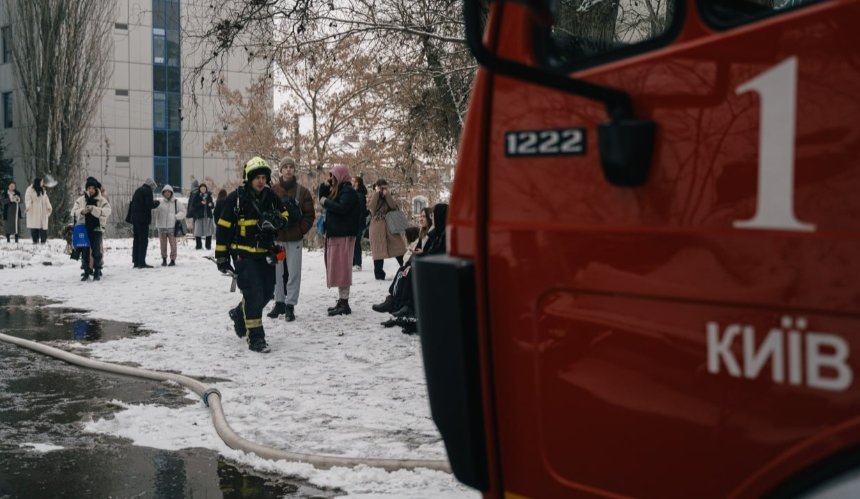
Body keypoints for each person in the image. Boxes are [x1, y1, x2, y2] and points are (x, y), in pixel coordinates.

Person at [215, 157, 289, 353]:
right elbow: (223, 228)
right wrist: (221, 257)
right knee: (254, 294)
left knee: (266, 293)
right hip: (243, 256)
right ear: (249, 178)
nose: (261, 181)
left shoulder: (271, 197)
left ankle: (240, 313)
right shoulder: (236, 199)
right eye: (257, 177)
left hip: (266, 254)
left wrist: (278, 220)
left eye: (264, 177)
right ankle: (256, 339)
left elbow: (286, 215)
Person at [380, 203, 448, 333]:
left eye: (430, 216)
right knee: (406, 271)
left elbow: (436, 253)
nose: (430, 219)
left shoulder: (439, 233)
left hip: (437, 271)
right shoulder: (437, 232)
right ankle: (400, 308)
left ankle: (404, 309)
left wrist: (419, 256)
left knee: (411, 272)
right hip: (432, 267)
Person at [267, 157, 314, 322]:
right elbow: (266, 213)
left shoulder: (303, 192)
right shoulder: (272, 191)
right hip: (278, 240)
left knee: (294, 272)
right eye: (285, 167)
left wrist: (300, 230)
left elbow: (309, 216)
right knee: (277, 271)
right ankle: (279, 302)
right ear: (280, 170)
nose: (288, 170)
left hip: (294, 240)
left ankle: (290, 305)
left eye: (291, 167)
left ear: (294, 170)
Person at [318, 164, 362, 316]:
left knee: (342, 269)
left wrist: (326, 202)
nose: (332, 179)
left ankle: (345, 303)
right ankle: (342, 301)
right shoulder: (340, 190)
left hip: (343, 235)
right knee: (337, 268)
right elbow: (322, 198)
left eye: (333, 176)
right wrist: (325, 186)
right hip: (337, 234)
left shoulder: (347, 191)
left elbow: (342, 208)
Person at [372, 206, 433, 313]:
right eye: (420, 216)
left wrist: (412, 264)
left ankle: (398, 304)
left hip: (426, 268)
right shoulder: (422, 234)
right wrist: (409, 264)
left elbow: (429, 253)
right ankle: (393, 300)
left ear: (430, 219)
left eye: (424, 216)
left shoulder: (430, 235)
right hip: (419, 264)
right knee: (402, 270)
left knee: (405, 272)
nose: (421, 219)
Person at [72, 177, 111, 281]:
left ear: (96, 189)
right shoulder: (81, 200)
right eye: (89, 188)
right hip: (84, 228)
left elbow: (108, 211)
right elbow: (73, 211)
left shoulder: (101, 200)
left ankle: (97, 271)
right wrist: (82, 211)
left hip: (97, 228)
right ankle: (86, 272)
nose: (91, 190)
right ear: (86, 189)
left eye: (93, 188)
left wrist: (94, 209)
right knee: (85, 251)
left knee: (96, 251)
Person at [368, 179, 406, 280]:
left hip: (390, 225)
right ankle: (379, 274)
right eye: (382, 188)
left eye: (385, 187)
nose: (383, 189)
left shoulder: (389, 195)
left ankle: (406, 268)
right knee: (378, 250)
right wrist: (377, 193)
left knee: (399, 247)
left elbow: (393, 206)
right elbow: (371, 208)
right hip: (377, 226)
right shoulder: (373, 196)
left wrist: (387, 195)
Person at [129, 178, 160, 268]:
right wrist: (157, 203)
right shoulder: (148, 191)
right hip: (143, 220)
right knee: (143, 241)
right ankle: (141, 262)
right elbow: (149, 205)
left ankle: (136, 261)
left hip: (135, 219)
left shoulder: (138, 190)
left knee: (136, 240)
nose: (153, 190)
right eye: (153, 188)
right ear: (151, 186)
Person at [153, 184, 185, 266]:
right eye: (165, 192)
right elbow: (154, 212)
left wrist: (176, 217)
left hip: (172, 227)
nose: (167, 193)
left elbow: (183, 211)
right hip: (161, 227)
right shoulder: (159, 202)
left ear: (171, 193)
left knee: (173, 244)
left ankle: (173, 260)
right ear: (163, 193)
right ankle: (164, 259)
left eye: (168, 192)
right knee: (162, 245)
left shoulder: (176, 202)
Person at [25, 177, 52, 244]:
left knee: (43, 227)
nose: (43, 183)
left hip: (43, 210)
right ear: (38, 182)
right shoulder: (30, 189)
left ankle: (43, 241)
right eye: (41, 182)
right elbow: (28, 199)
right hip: (34, 210)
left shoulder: (43, 190)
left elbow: (46, 199)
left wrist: (49, 207)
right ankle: (35, 241)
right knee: (34, 227)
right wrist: (28, 206)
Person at [189, 182, 215, 250]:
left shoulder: (209, 196)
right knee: (198, 231)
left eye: (204, 188)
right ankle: (199, 245)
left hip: (207, 216)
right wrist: (201, 203)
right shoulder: (196, 196)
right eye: (202, 188)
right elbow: (193, 206)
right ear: (199, 189)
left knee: (208, 232)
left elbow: (212, 205)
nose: (203, 189)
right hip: (199, 216)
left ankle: (208, 246)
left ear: (206, 189)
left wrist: (210, 205)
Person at [351, 176, 368, 271]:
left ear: (357, 183)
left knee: (356, 243)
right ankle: (354, 263)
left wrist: (358, 222)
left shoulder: (359, 195)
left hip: (358, 223)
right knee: (354, 243)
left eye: (353, 180)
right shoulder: (356, 193)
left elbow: (362, 211)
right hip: (356, 222)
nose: (351, 182)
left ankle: (358, 263)